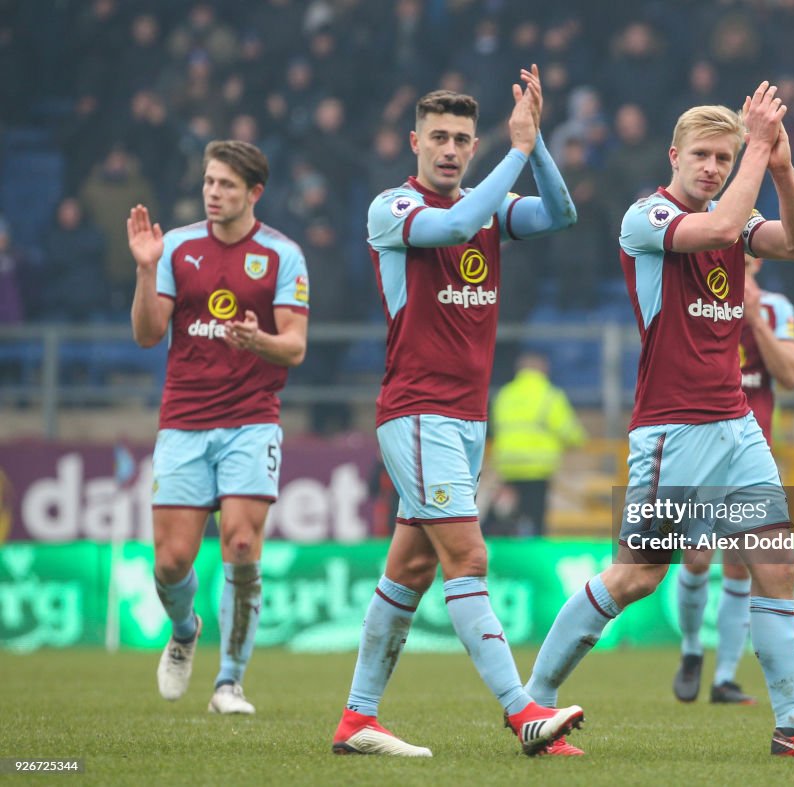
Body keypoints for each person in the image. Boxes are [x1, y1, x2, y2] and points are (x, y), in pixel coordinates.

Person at [524, 81, 794, 757]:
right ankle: (532, 703)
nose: (713, 168)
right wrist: (754, 146)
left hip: (737, 424)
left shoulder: (737, 215)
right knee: (636, 573)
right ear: (674, 156)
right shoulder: (645, 219)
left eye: (724, 156)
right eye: (704, 156)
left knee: (776, 565)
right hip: (672, 428)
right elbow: (718, 227)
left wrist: (780, 165)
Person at [331, 67, 584, 759]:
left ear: (474, 147)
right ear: (415, 141)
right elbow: (458, 224)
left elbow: (560, 215)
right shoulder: (395, 208)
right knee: (469, 554)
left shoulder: (489, 198)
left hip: (465, 421)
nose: (449, 149)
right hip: (417, 413)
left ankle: (358, 719)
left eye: (462, 139)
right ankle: (523, 711)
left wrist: (536, 147)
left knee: (410, 571)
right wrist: (518, 152)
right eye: (438, 136)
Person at [127, 139, 309, 715]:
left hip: (252, 420)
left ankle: (229, 682)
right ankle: (184, 631)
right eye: (209, 182)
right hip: (183, 421)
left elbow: (295, 347)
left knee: (239, 542)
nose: (213, 193)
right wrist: (147, 268)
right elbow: (148, 334)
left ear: (254, 193)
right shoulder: (176, 247)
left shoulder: (283, 255)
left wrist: (261, 342)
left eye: (227, 185)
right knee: (171, 562)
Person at [673, 253, 794, 706]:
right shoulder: (697, 303)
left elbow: (790, 376)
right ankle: (692, 648)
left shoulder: (775, 308)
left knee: (739, 565)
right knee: (693, 560)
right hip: (701, 450)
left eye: (745, 264)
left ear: (756, 265)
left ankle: (724, 678)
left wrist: (753, 319)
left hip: (751, 455)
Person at [490, 352, 587, 537]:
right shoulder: (550, 395)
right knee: (535, 517)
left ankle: (503, 550)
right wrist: (579, 440)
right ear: (543, 369)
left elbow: (495, 427)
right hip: (537, 466)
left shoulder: (504, 394)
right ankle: (532, 551)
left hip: (507, 465)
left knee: (507, 514)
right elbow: (567, 429)